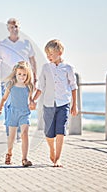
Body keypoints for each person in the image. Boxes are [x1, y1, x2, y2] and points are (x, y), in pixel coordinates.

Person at [0, 18, 37, 141]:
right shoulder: (2, 44)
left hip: (24, 81)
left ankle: (19, 132)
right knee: (8, 105)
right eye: (11, 27)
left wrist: (34, 77)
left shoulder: (26, 43)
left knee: (22, 105)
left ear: (19, 27)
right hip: (7, 81)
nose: (14, 29)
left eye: (16, 26)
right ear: (8, 29)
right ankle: (10, 132)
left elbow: (32, 61)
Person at [31, 39, 78, 167]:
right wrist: (33, 100)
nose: (49, 57)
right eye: (47, 54)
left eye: (51, 54)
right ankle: (52, 149)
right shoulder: (46, 68)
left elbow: (73, 87)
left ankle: (58, 158)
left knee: (60, 131)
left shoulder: (68, 68)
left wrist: (74, 105)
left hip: (64, 104)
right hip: (48, 104)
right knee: (49, 133)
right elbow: (41, 86)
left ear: (60, 52)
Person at [0, 61, 35, 167]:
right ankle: (9, 153)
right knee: (12, 136)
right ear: (15, 74)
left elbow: (30, 100)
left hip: (24, 113)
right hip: (12, 112)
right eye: (19, 74)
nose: (22, 76)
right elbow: (4, 99)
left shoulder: (29, 87)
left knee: (25, 134)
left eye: (24, 74)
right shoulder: (11, 85)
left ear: (28, 75)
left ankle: (24, 159)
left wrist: (32, 103)